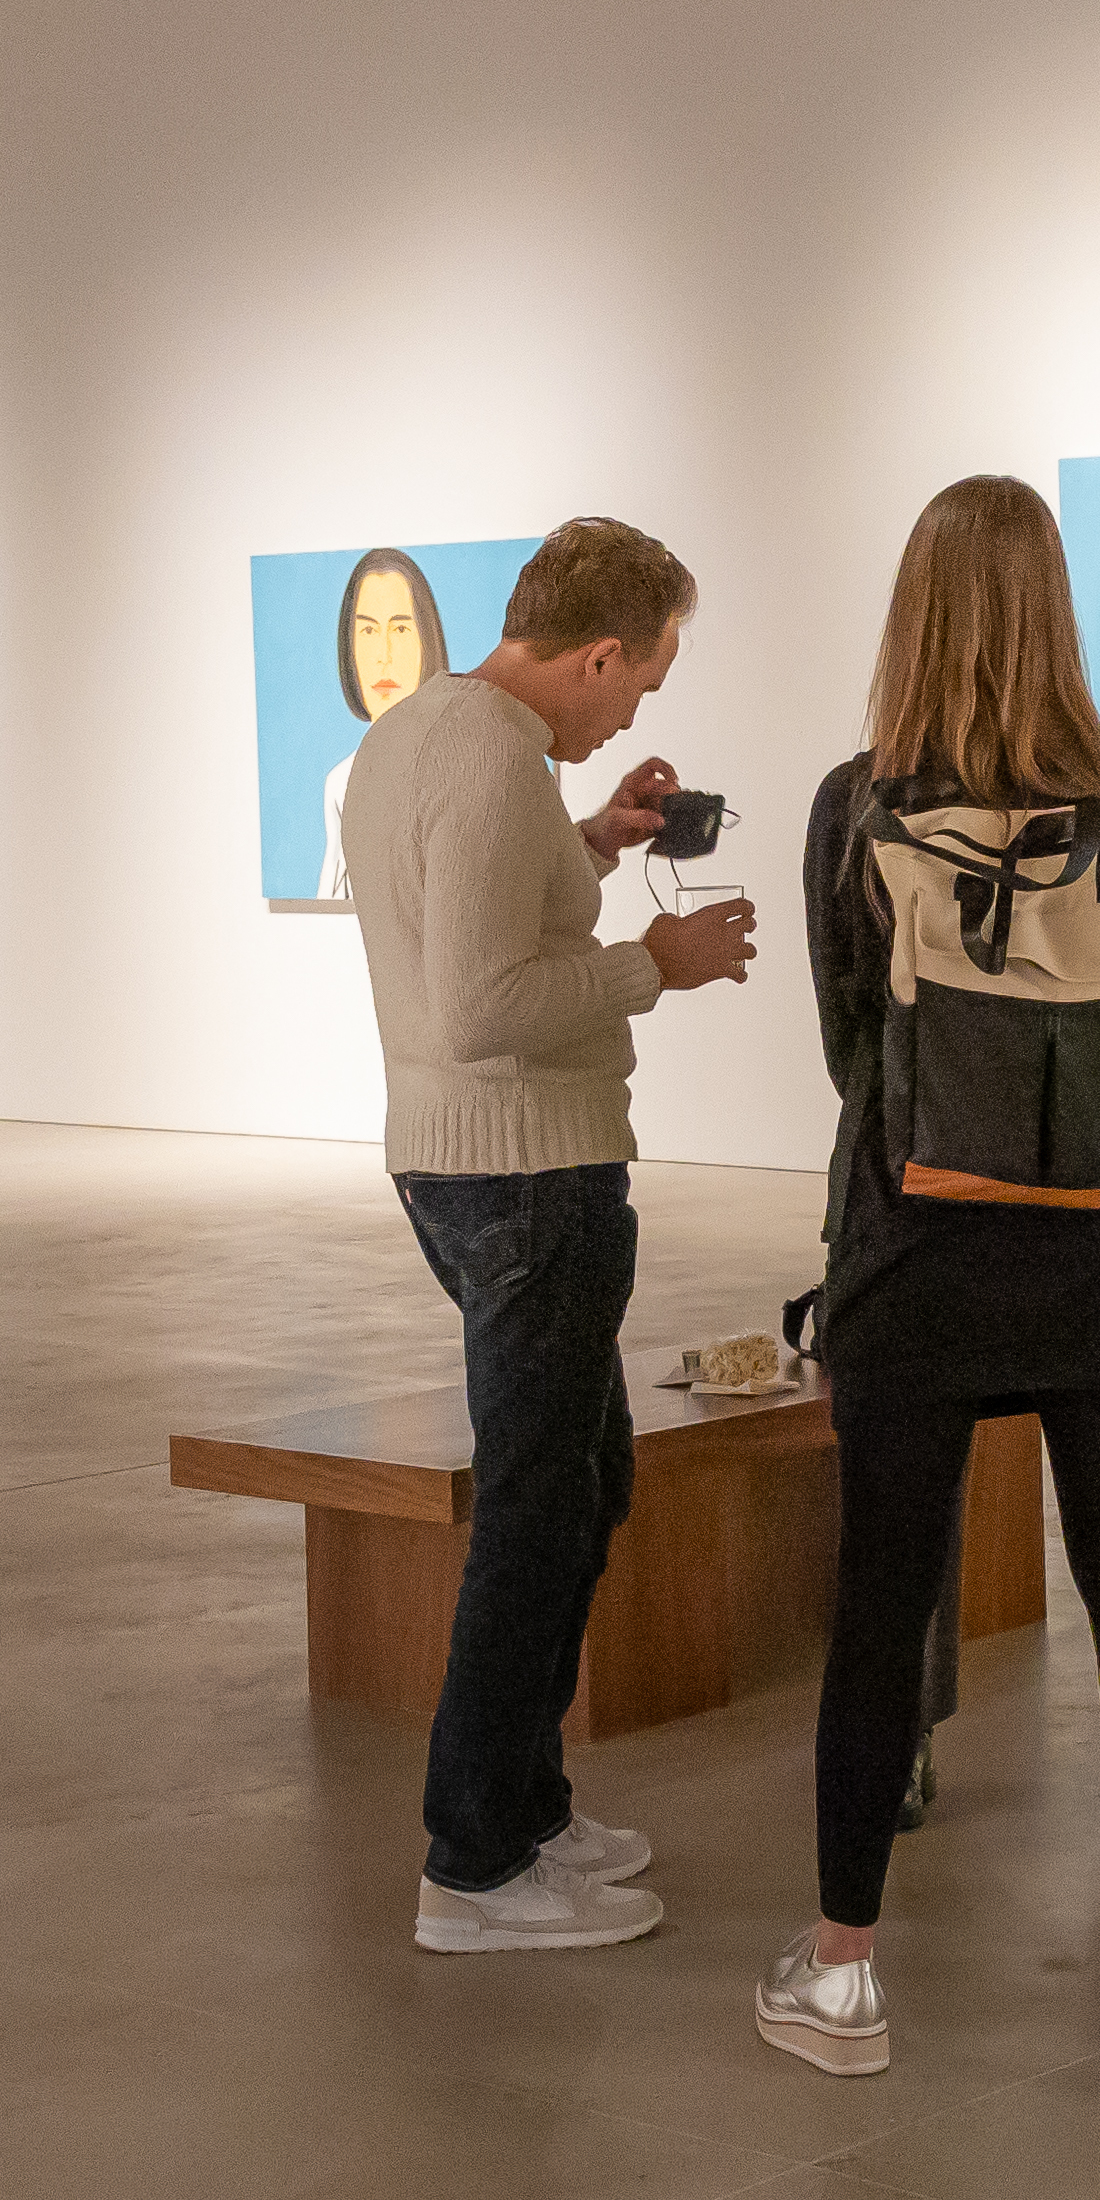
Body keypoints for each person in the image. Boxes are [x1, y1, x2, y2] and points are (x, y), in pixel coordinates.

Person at [758, 479, 1100, 2072]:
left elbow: (848, 1052)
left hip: (915, 1252)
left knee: (883, 1608)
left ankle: (842, 1975)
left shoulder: (855, 805)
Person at [344, 516, 752, 1956]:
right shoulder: (479, 757)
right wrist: (658, 962)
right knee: (536, 1515)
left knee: (582, 1487)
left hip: (497, 1175)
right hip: (522, 1178)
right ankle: (472, 1861)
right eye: (634, 682)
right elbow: (478, 1009)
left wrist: (592, 839)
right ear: (591, 653)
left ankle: (525, 1805)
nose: (634, 711)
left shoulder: (433, 738)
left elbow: (479, 909)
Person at [301, 551, 450, 909]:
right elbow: (329, 906)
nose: (383, 654)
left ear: (425, 639)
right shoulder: (342, 783)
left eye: (400, 628)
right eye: (368, 630)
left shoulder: (462, 766)